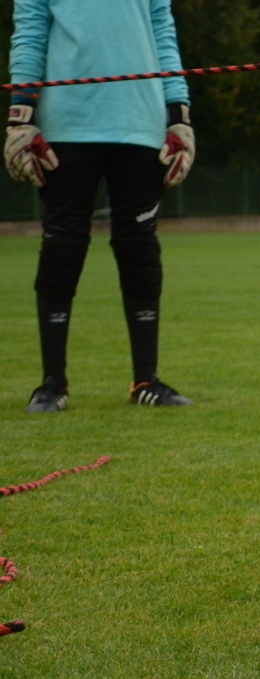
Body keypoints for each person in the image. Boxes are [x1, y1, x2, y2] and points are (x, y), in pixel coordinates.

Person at [6, 0, 197, 412]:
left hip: (140, 124)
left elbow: (163, 31)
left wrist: (178, 115)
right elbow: (30, 32)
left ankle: (146, 381)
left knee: (139, 251)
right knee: (62, 249)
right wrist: (20, 117)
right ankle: (52, 384)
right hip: (66, 125)